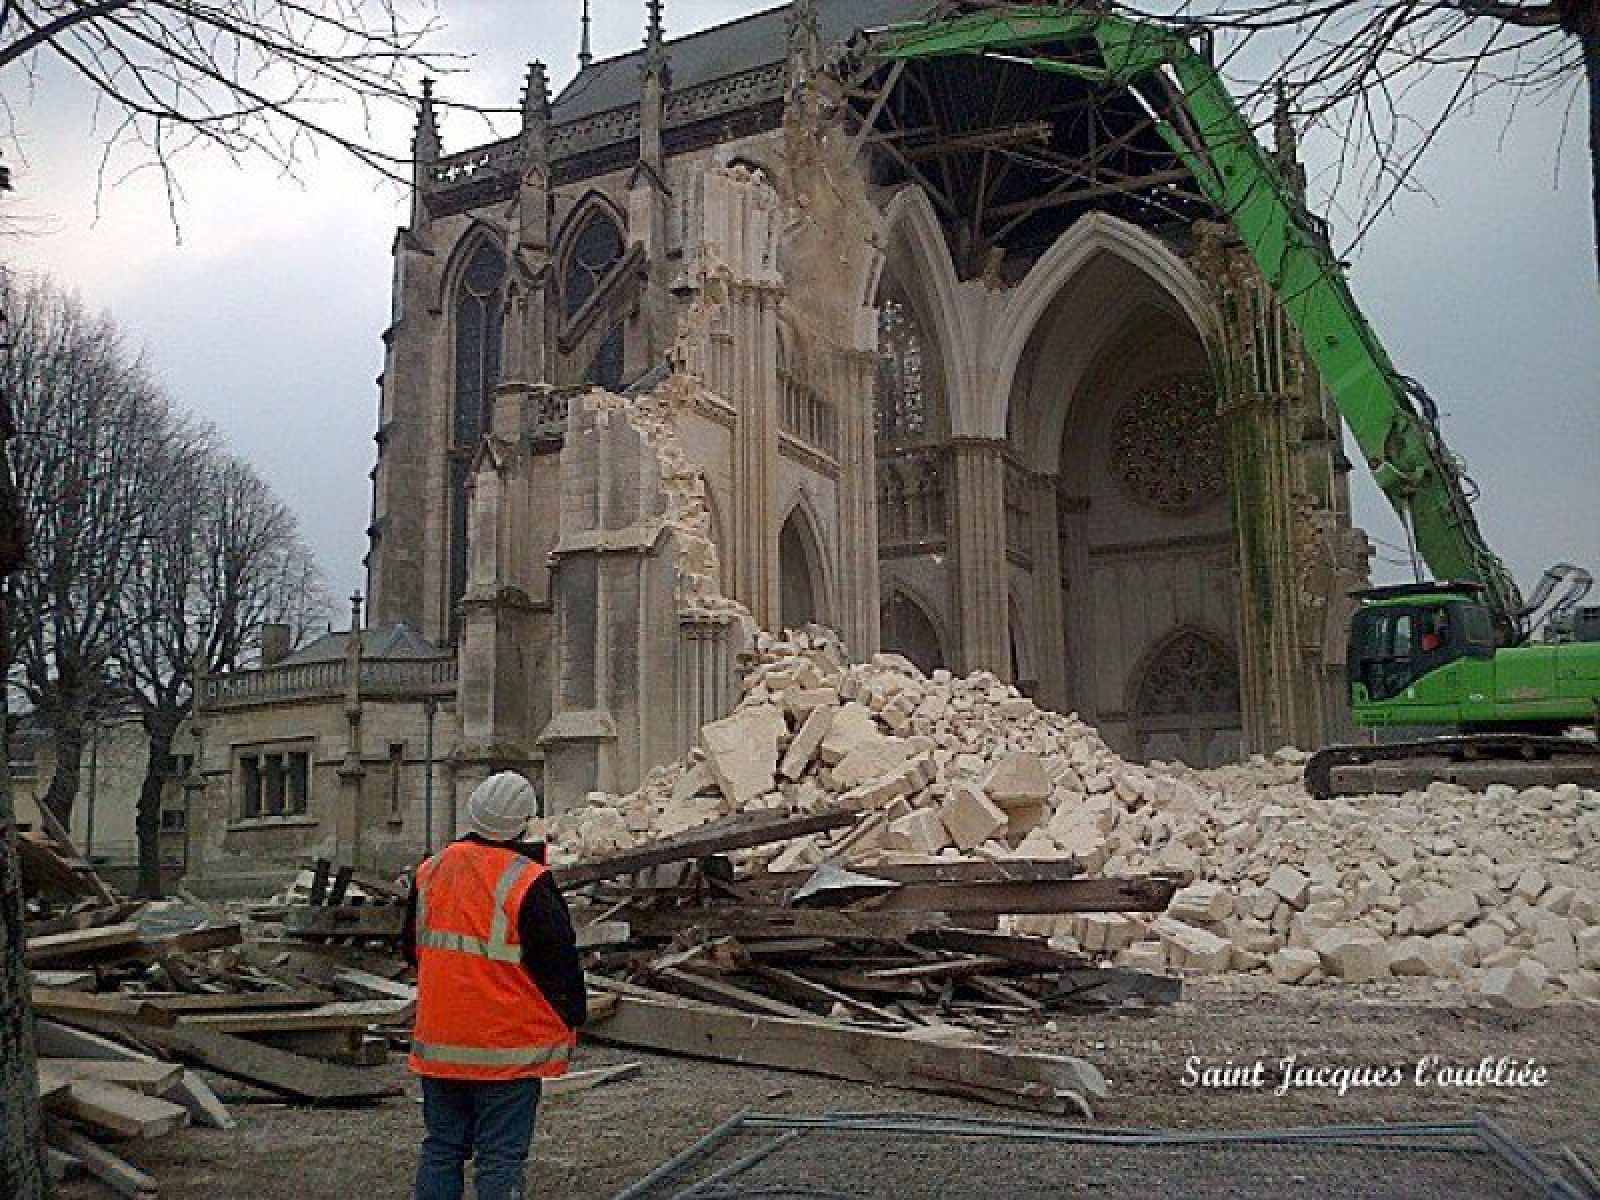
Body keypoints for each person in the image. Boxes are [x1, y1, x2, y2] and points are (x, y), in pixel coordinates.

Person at [403, 772, 586, 1200]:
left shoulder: (432, 870)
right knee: (500, 1159)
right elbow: (558, 964)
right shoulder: (528, 880)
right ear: (525, 821)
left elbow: (412, 950)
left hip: (441, 1044)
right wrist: (573, 1017)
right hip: (505, 1050)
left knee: (442, 1150)